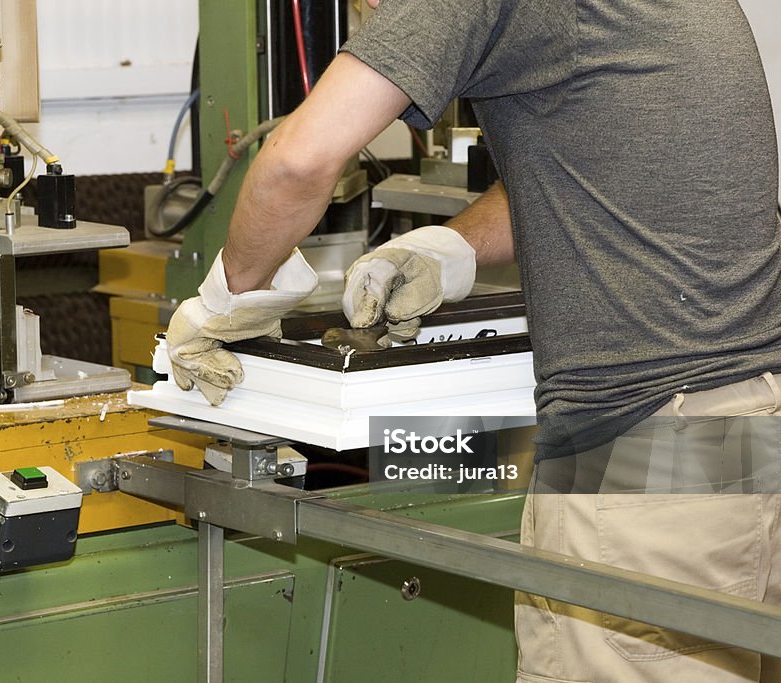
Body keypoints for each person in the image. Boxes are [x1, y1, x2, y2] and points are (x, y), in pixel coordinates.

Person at [165, 1, 781, 680]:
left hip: (644, 457)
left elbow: (299, 161)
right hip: (745, 428)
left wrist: (228, 299)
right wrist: (451, 247)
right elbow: (604, 164)